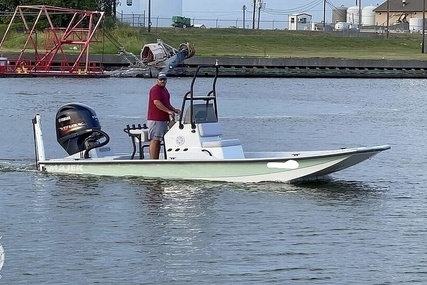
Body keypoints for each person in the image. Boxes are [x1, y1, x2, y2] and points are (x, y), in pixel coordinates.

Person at [146, 72, 180, 159]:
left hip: (163, 120)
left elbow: (167, 104)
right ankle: (153, 161)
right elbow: (157, 102)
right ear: (157, 80)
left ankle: (157, 159)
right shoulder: (155, 90)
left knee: (159, 140)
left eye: (164, 79)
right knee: (155, 140)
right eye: (161, 79)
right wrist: (168, 111)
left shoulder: (165, 90)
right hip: (155, 119)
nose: (162, 81)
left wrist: (174, 110)